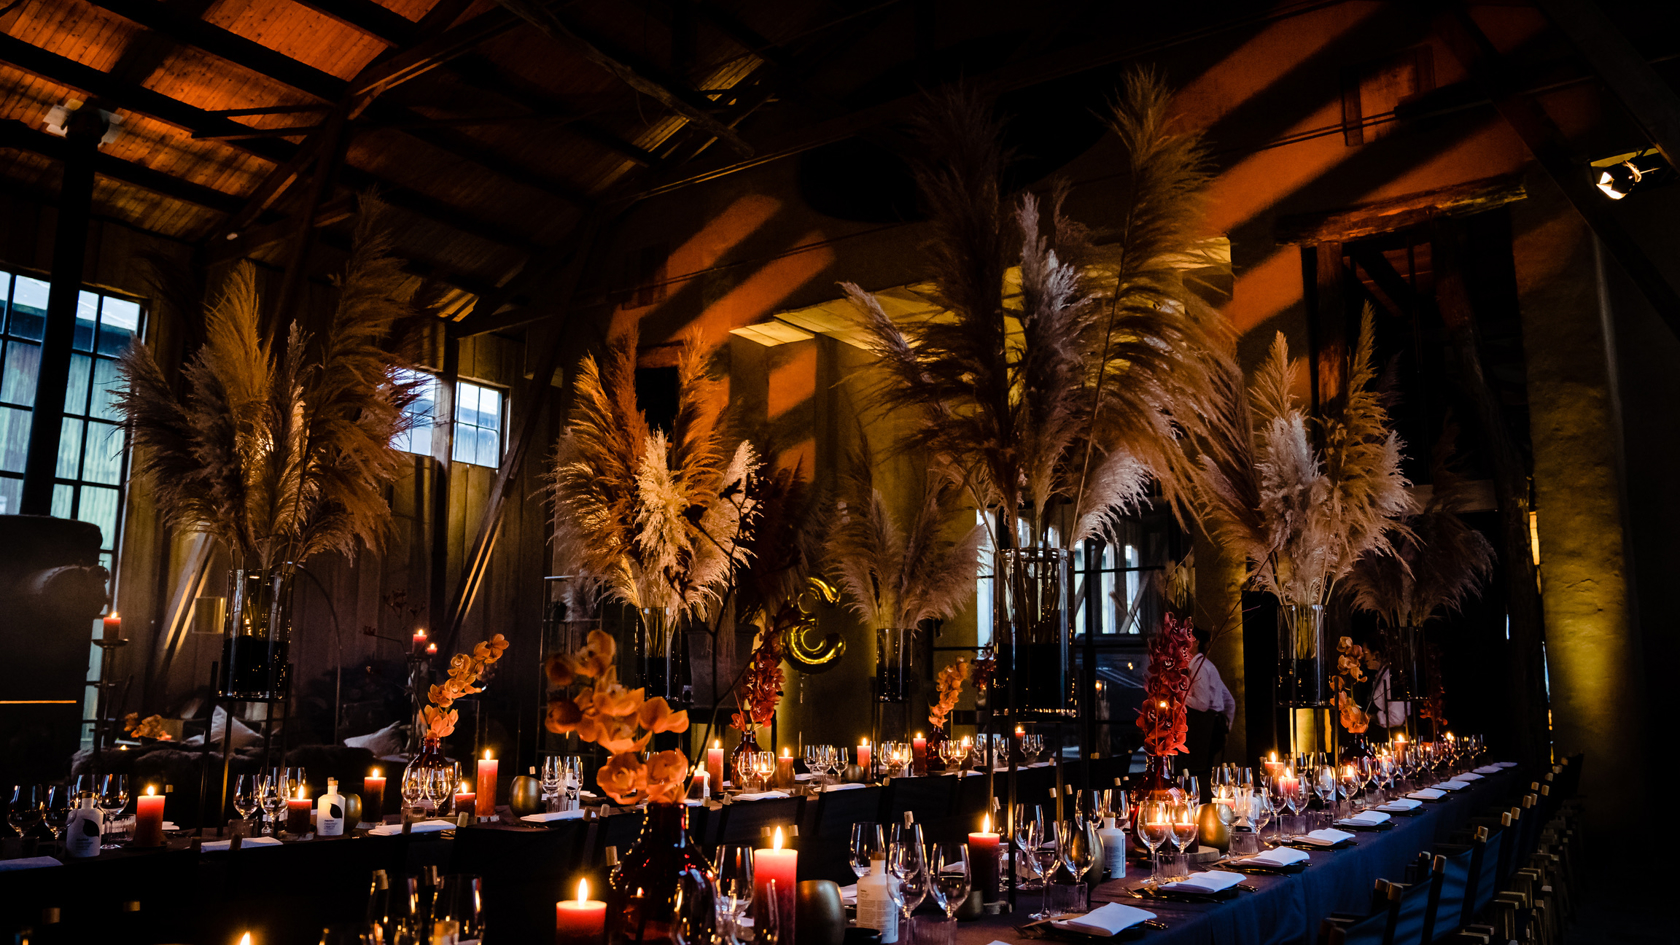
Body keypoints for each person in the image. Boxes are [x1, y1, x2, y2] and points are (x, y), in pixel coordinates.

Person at [1183, 626, 1236, 800]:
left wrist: (1179, 696)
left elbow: (1202, 704)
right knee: (1204, 774)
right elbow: (1229, 701)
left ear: (1196, 642)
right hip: (1211, 728)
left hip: (1203, 729)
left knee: (1199, 778)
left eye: (1186, 637)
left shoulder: (1199, 668)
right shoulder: (1206, 665)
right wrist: (1226, 727)